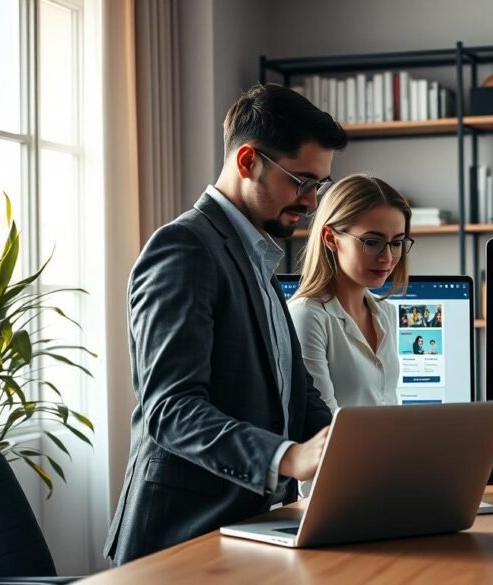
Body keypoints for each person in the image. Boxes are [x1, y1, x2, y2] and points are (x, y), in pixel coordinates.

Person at [104, 84, 346, 564]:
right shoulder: (184, 248)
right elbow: (170, 409)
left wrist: (370, 450)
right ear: (247, 161)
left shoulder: (256, 252)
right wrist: (287, 457)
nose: (312, 201)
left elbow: (293, 394)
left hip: (248, 530)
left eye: (319, 185)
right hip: (178, 542)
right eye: (302, 181)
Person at [288, 174, 413, 412]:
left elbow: (389, 405)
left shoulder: (385, 313)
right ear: (331, 238)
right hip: (340, 450)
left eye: (397, 243)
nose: (387, 258)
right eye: (371, 242)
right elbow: (324, 423)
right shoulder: (307, 316)